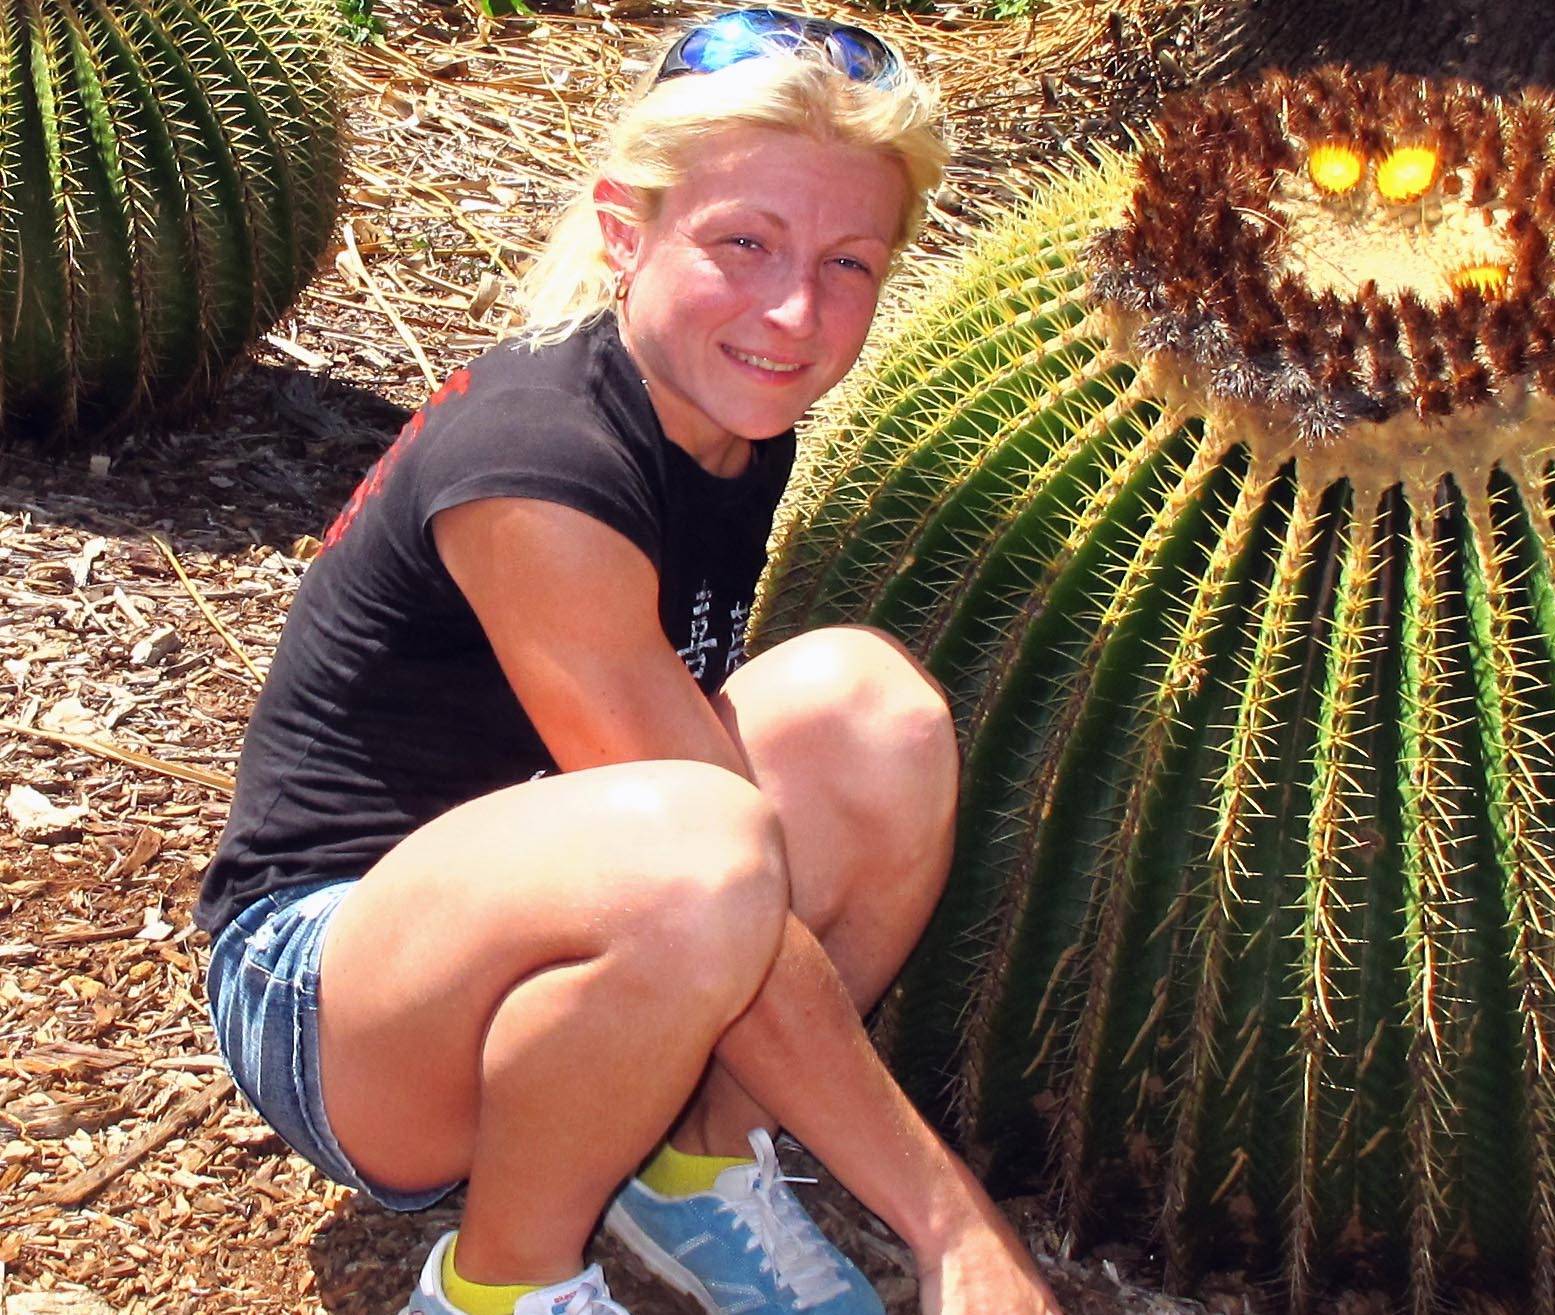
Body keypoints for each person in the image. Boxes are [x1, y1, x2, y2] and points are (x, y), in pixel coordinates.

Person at [194, 11, 1062, 1314]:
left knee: (874, 716)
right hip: (329, 997)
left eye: (848, 263)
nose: (794, 309)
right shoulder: (538, 463)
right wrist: (956, 1232)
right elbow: (715, 871)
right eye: (743, 243)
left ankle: (690, 1172)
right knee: (701, 857)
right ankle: (502, 1287)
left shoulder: (722, 409)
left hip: (551, 901)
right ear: (624, 230)